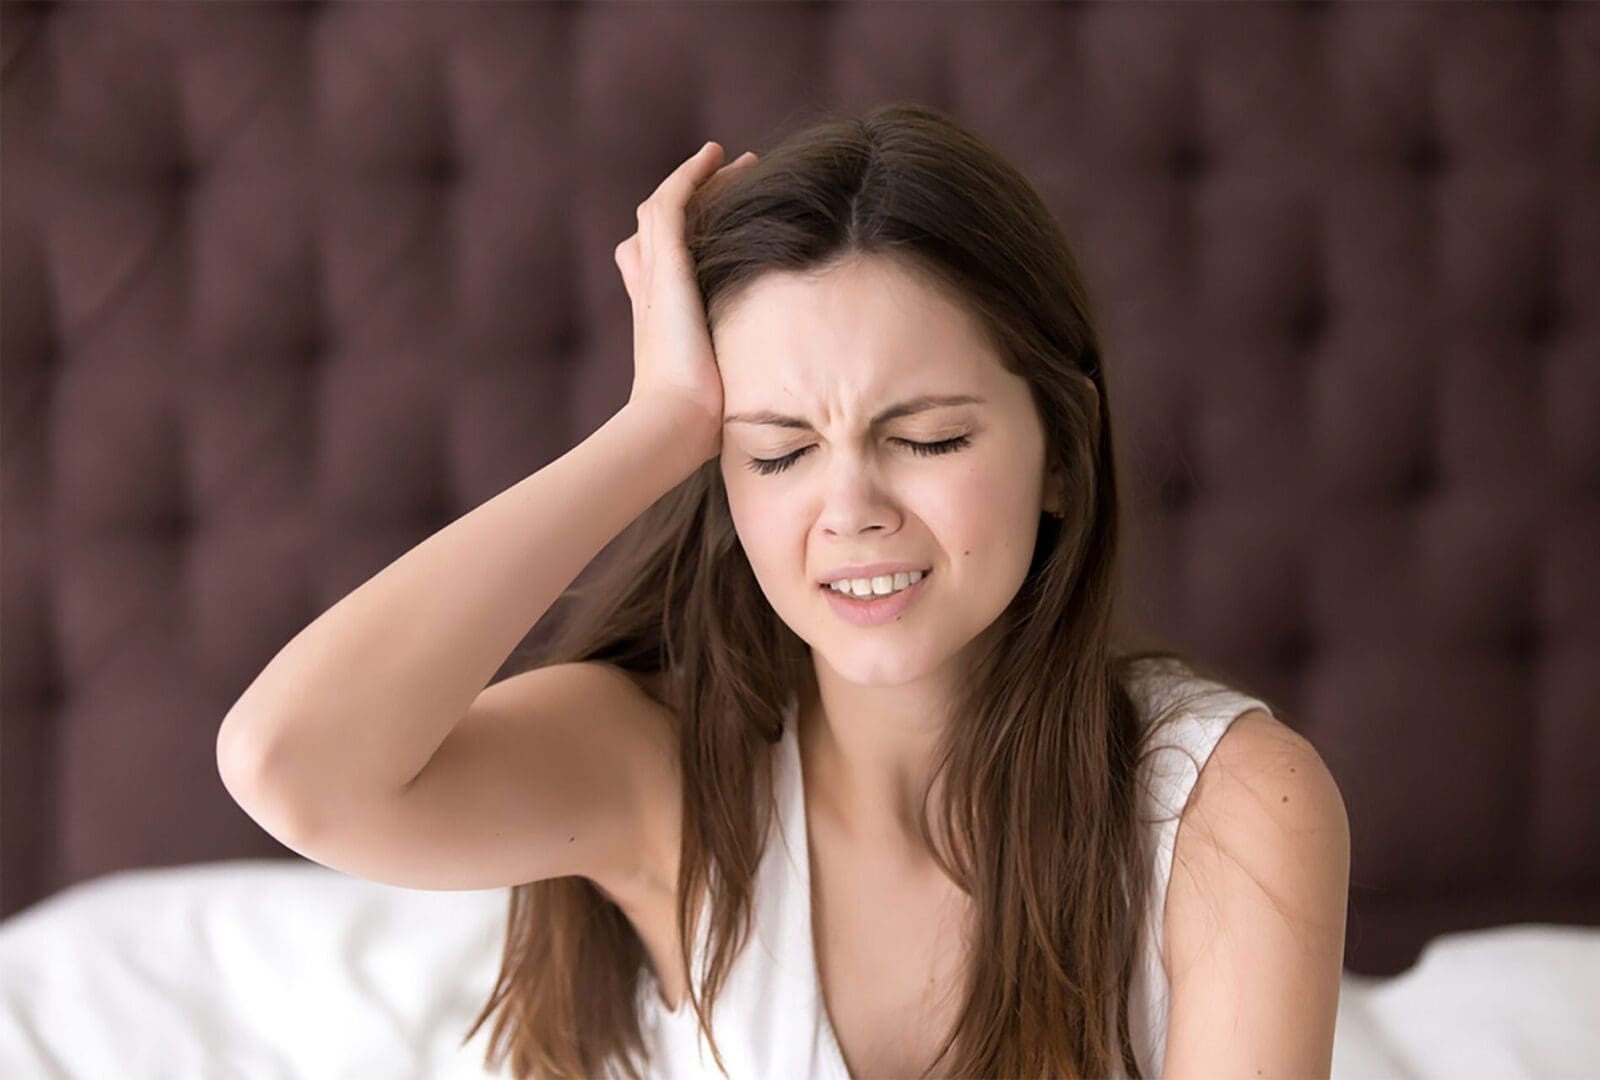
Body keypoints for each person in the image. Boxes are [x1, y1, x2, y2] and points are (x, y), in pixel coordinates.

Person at [217, 102, 1349, 1080]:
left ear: (1061, 452)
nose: (850, 507)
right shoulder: (665, 780)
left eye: (929, 437)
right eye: (776, 452)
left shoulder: (1229, 811)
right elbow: (291, 765)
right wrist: (651, 431)